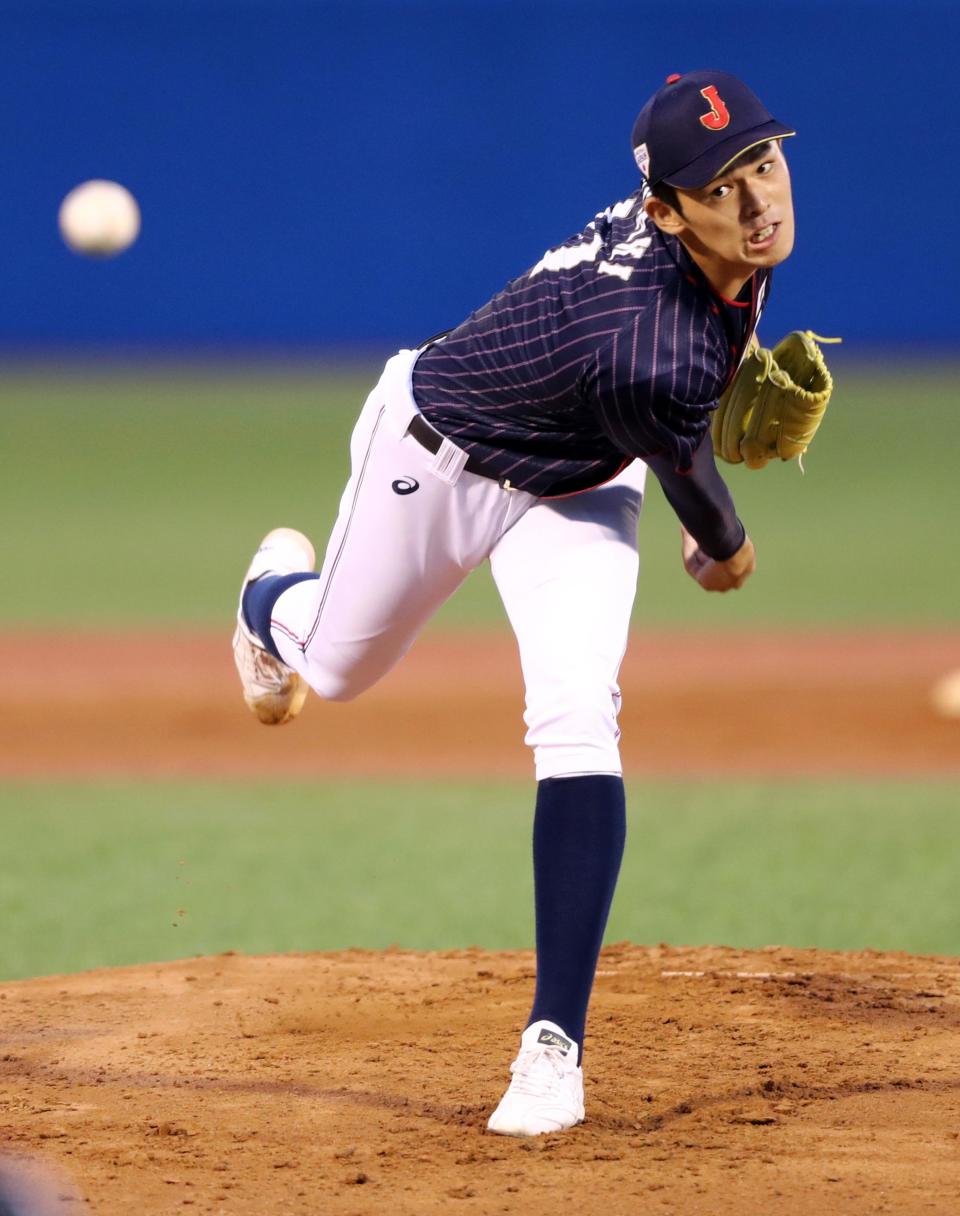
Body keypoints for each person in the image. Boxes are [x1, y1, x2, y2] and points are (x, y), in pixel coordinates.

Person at [232, 70, 796, 1136]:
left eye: (764, 160)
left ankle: (554, 1044)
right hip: (436, 455)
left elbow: (674, 407)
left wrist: (697, 446)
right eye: (725, 185)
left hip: (577, 480)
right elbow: (681, 448)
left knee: (579, 715)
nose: (760, 199)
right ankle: (269, 596)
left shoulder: (719, 246)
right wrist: (722, 545)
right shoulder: (646, 342)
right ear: (666, 211)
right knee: (339, 670)